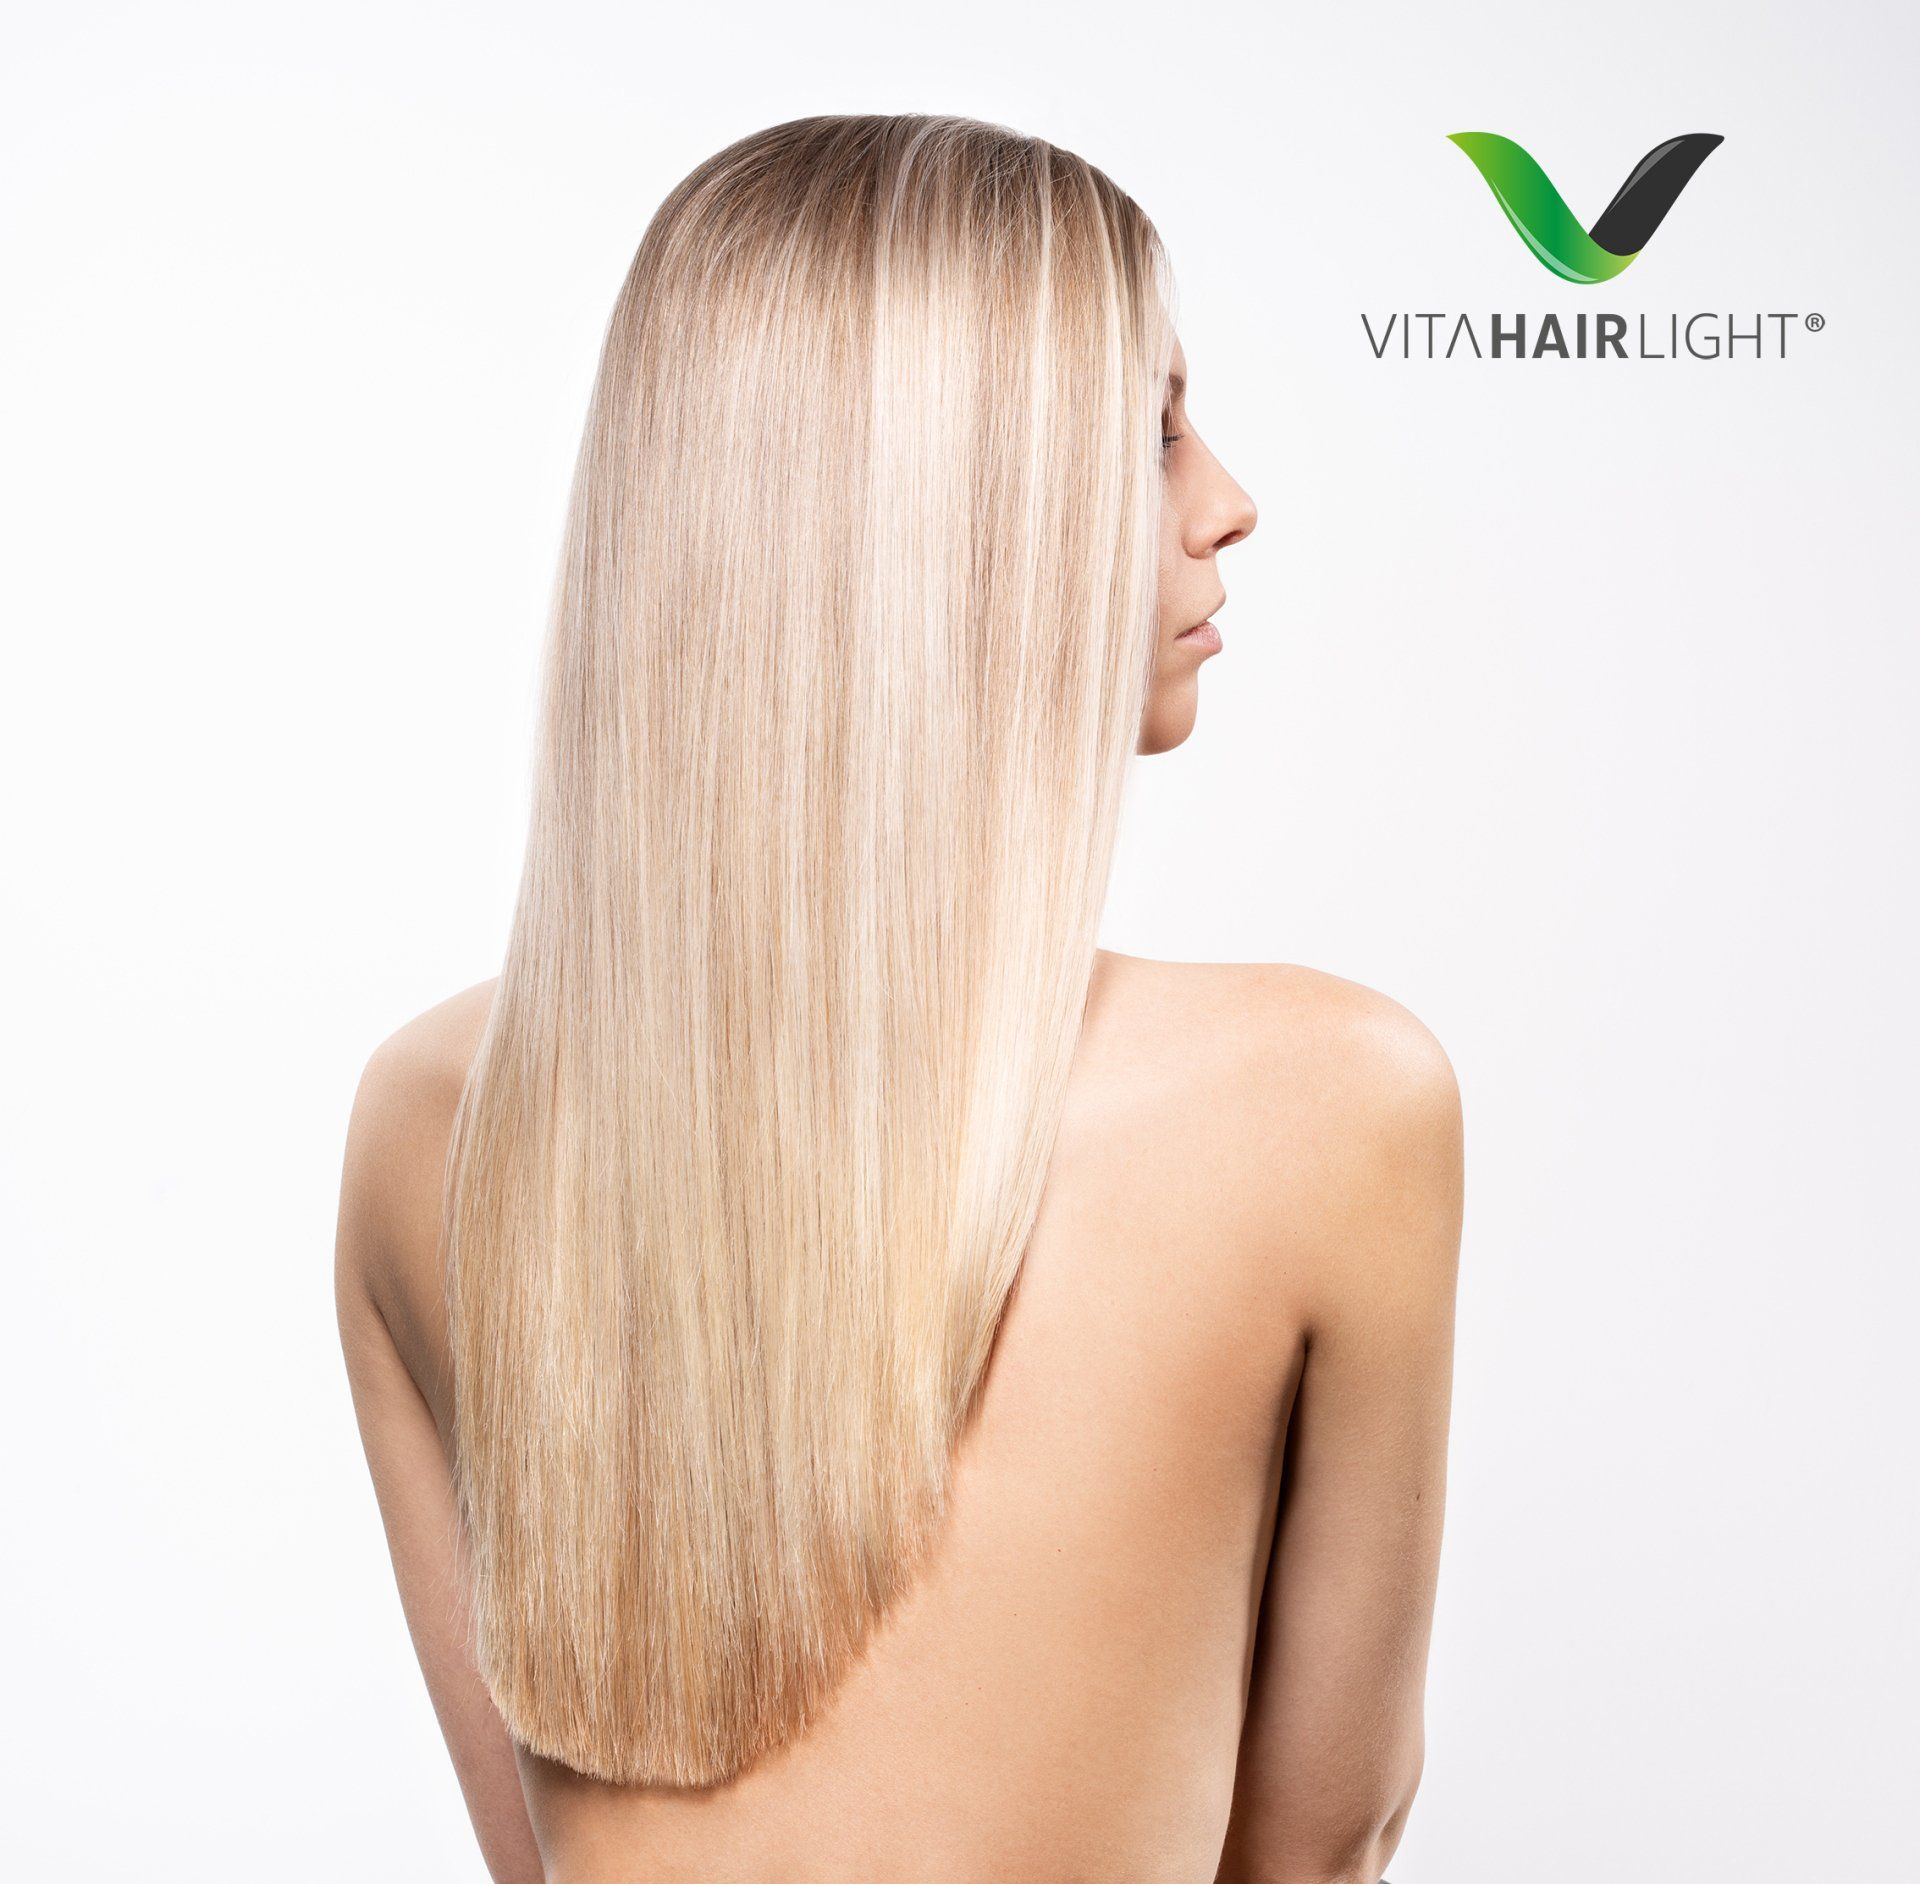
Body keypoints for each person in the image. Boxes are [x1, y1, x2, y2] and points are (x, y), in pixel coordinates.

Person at [336, 113, 1462, 1884]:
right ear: (949, 510)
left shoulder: (430, 1118)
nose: (1227, 500)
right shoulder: (1326, 1103)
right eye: (1154, 429)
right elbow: (1320, 1844)